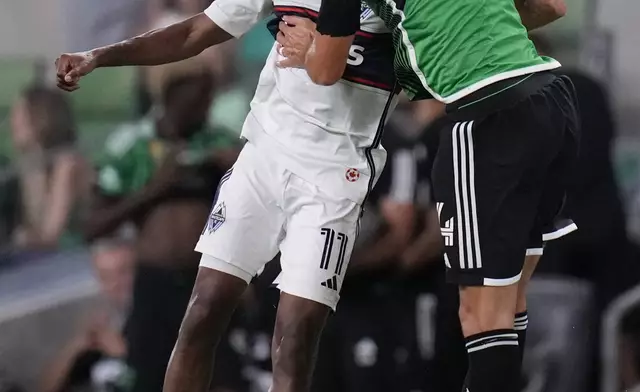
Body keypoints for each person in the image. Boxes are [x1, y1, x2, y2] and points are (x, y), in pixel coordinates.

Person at [53, 1, 397, 390]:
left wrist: (321, 53)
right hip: (264, 158)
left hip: (334, 177)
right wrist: (98, 56)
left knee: (296, 333)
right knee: (203, 309)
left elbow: (422, 69)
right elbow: (193, 32)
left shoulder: (398, 7)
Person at [276, 0, 579, 390]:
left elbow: (326, 69)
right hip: (550, 99)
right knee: (509, 301)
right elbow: (551, 7)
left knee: (481, 314)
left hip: (487, 112)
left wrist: (310, 51)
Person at [84, 70, 240, 392]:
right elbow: (93, 226)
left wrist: (232, 167)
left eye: (206, 101)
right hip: (154, 285)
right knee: (149, 377)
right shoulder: (131, 147)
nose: (202, 109)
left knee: (220, 376)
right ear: (170, 98)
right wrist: (156, 188)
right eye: (194, 100)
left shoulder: (218, 142)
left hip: (206, 281)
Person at [40, 242, 135, 392]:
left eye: (123, 272)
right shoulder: (106, 320)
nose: (115, 284)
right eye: (106, 277)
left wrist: (121, 352)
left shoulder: (156, 316)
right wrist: (77, 346)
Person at [9, 85, 91, 253]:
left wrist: (21, 238)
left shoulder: (67, 164)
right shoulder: (32, 165)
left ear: (41, 118)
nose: (12, 122)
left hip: (77, 258)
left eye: (20, 116)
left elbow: (50, 236)